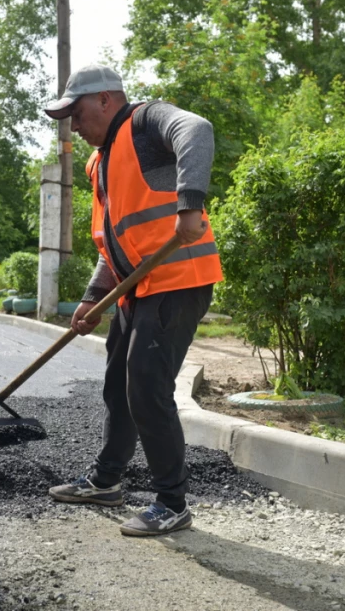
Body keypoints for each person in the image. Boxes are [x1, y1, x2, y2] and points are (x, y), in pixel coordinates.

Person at [43, 65, 223, 537]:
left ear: (105, 100)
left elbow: (197, 130)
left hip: (178, 278)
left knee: (146, 386)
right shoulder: (101, 162)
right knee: (118, 387)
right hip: (138, 286)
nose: (73, 126)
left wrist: (190, 203)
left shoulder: (146, 124)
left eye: (76, 113)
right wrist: (91, 299)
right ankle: (106, 481)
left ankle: (172, 502)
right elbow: (118, 245)